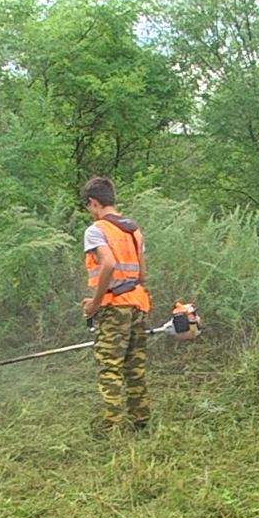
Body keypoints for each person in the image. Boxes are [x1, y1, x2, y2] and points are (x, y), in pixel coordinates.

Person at [80, 176, 151, 434]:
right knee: (135, 365)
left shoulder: (97, 230)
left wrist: (95, 303)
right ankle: (141, 421)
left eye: (89, 207)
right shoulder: (134, 230)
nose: (90, 212)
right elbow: (142, 275)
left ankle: (111, 428)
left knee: (110, 367)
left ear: (94, 202)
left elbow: (108, 264)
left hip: (114, 307)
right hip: (138, 303)